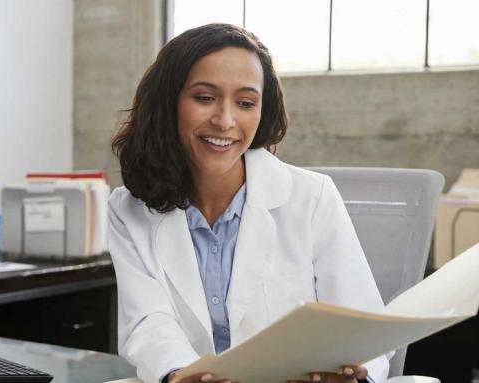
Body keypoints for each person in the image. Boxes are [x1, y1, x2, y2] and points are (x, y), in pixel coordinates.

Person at [109, 24, 389, 383]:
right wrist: (179, 374)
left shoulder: (312, 197)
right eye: (204, 97)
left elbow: (362, 325)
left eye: (245, 103)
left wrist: (354, 375)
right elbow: (148, 321)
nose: (225, 121)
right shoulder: (128, 209)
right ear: (168, 103)